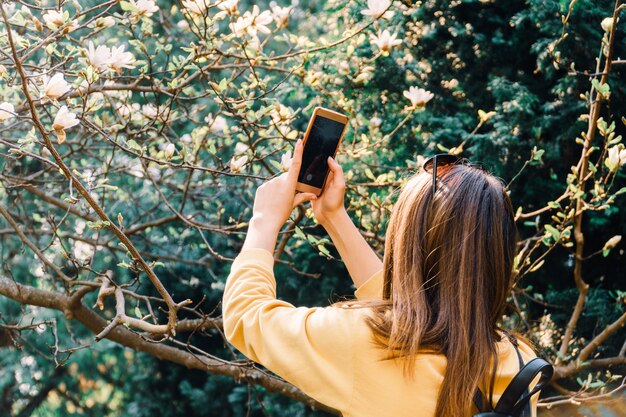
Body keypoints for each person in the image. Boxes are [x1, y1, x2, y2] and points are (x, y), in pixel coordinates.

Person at [222, 138, 539, 417]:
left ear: (407, 244)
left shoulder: (366, 343)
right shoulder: (520, 363)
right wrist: (334, 218)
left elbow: (245, 315)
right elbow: (412, 309)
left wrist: (263, 221)